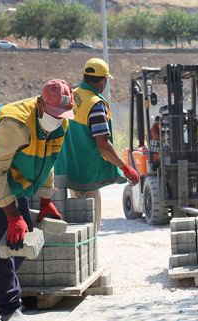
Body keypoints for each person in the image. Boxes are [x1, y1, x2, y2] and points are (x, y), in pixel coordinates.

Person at [0, 79, 74, 321]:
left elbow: (49, 159)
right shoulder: (15, 123)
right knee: (3, 238)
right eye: (54, 113)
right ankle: (10, 308)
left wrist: (45, 199)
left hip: (8, 175)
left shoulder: (61, 123)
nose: (58, 119)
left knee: (22, 240)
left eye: (62, 114)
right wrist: (12, 216)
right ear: (40, 103)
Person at [56, 58, 139, 230]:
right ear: (103, 80)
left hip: (69, 173)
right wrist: (126, 168)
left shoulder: (71, 96)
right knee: (91, 229)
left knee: (78, 228)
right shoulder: (95, 105)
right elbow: (103, 145)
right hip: (87, 177)